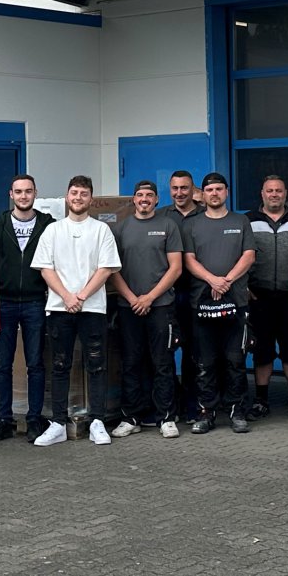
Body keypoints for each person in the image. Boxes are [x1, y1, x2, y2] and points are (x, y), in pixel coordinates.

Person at [31, 175, 121, 448]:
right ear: (67, 197)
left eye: (83, 193)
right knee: (60, 365)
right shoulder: (53, 230)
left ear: (90, 199)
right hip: (59, 308)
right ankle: (58, 423)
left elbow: (106, 269)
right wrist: (67, 297)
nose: (78, 198)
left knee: (96, 365)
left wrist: (80, 296)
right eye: (74, 193)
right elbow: (45, 268)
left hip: (92, 308)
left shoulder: (101, 230)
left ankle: (97, 422)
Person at [107, 180, 184, 439]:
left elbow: (176, 268)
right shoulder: (120, 229)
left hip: (161, 306)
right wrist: (133, 299)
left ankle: (166, 417)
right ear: (134, 199)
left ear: (156, 200)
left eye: (149, 195)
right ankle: (131, 417)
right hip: (128, 307)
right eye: (140, 195)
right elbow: (112, 269)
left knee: (163, 363)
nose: (144, 199)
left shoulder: (168, 226)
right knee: (131, 362)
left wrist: (149, 297)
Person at [0, 174, 55, 444]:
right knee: (3, 364)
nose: (24, 196)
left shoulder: (48, 225)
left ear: (35, 193)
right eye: (19, 192)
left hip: (36, 301)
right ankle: (4, 420)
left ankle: (34, 419)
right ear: (10, 195)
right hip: (5, 302)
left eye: (28, 191)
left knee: (35, 363)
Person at [183, 173, 256, 434]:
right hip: (202, 304)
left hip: (236, 302)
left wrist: (226, 281)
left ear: (227, 192)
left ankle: (237, 411)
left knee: (235, 360)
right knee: (205, 363)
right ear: (202, 194)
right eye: (209, 189)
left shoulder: (241, 221)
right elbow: (189, 260)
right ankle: (207, 412)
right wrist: (212, 280)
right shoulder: (192, 224)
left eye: (219, 189)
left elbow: (249, 256)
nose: (214, 193)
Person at [246, 175, 288, 420]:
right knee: (261, 352)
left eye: (278, 191)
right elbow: (237, 256)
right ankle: (261, 400)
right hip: (258, 298)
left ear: (285, 194)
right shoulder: (248, 221)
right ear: (262, 194)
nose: (274, 194)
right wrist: (244, 287)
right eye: (269, 191)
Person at [159, 169, 203, 422]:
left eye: (184, 188)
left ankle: (192, 405)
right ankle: (170, 403)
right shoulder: (161, 216)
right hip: (168, 292)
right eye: (175, 188)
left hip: (198, 292)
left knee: (194, 351)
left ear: (192, 189)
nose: (179, 193)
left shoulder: (204, 214)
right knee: (166, 350)